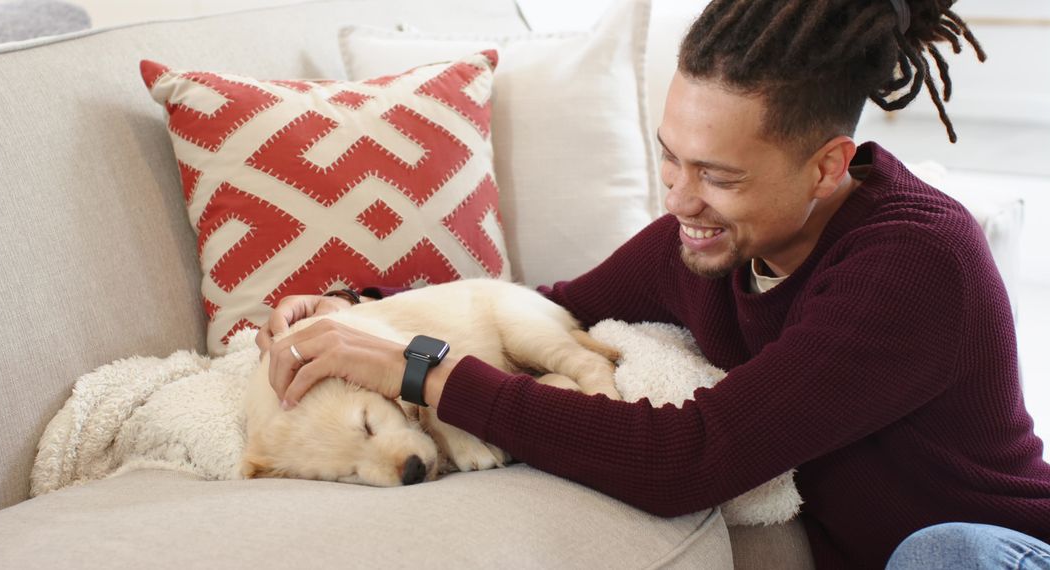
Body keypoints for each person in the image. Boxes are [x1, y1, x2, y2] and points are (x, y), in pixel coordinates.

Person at [254, 0, 1050, 567]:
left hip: (1002, 550)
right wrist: (365, 317)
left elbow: (689, 457)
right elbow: (553, 307)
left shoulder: (913, 263)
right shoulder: (705, 243)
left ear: (827, 167)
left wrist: (419, 368)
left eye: (718, 175)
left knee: (945, 554)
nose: (677, 199)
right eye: (670, 155)